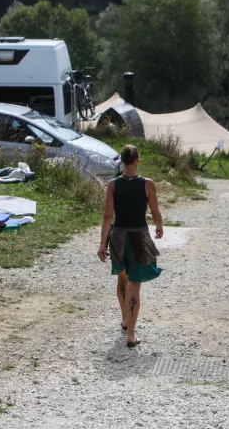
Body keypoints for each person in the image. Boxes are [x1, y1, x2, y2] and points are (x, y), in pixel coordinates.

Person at [97, 145, 164, 348]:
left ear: (123, 162)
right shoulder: (148, 184)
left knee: (122, 278)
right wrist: (159, 227)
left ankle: (125, 320)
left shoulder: (112, 185)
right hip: (138, 237)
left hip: (118, 236)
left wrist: (102, 244)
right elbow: (155, 210)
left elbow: (108, 216)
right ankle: (131, 335)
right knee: (135, 285)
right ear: (137, 161)